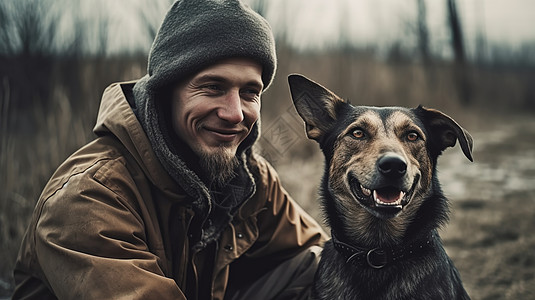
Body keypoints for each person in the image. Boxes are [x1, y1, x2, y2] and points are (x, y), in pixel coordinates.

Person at [12, 0, 327, 299]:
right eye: (213, 87)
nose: (235, 113)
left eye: (249, 92)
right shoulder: (91, 197)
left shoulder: (249, 181)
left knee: (322, 268)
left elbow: (324, 258)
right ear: (165, 92)